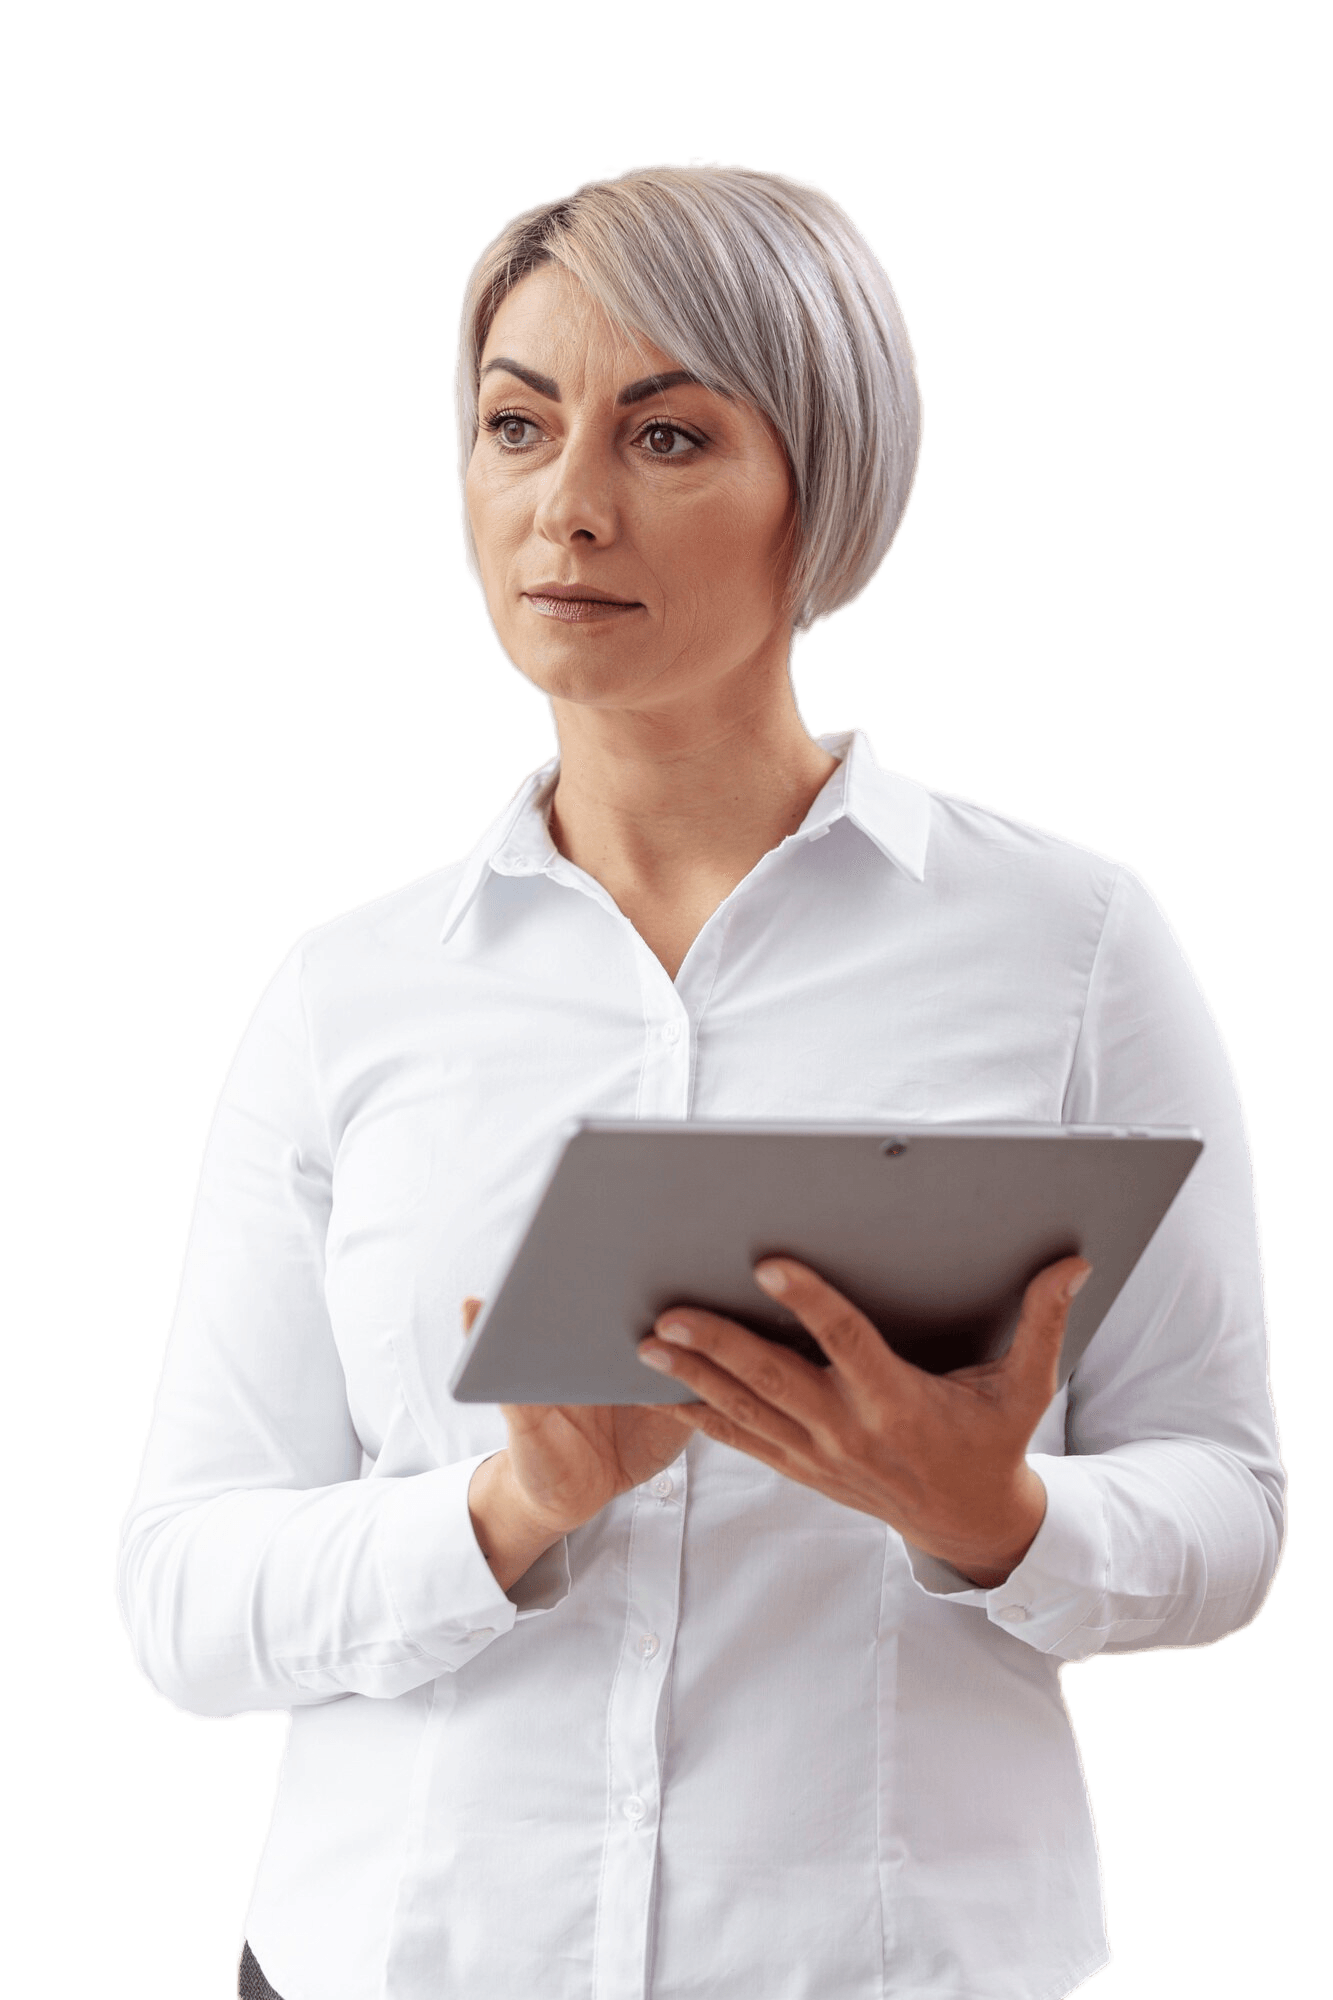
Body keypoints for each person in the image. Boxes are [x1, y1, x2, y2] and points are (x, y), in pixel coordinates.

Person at [115, 160, 1286, 2000]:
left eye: (668, 437)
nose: (565, 506)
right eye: (517, 424)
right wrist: (509, 1511)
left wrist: (999, 1520)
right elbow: (184, 1603)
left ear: (823, 490)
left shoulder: (1071, 943)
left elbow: (1227, 1513)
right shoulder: (349, 993)